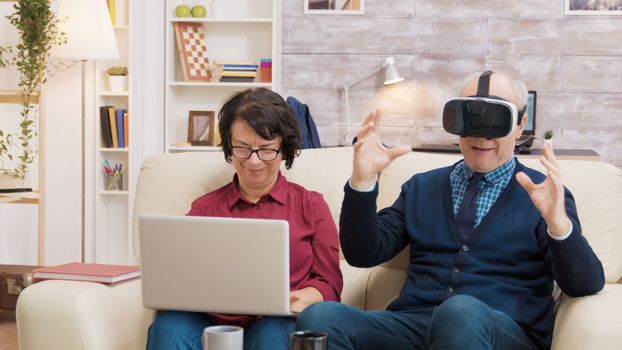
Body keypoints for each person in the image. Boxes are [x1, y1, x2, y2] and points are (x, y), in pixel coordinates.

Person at [296, 71, 604, 350]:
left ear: (520, 124)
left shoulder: (542, 194)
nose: (481, 135)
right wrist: (362, 183)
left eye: (495, 119)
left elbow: (585, 284)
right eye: (471, 116)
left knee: (460, 313)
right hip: (413, 327)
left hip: (500, 333)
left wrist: (559, 227)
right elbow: (363, 254)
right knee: (320, 318)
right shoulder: (422, 187)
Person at [147, 88, 343, 350]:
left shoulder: (312, 206)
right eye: (242, 148)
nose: (253, 161)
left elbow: (328, 284)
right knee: (168, 326)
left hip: (277, 320)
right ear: (230, 147)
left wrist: (291, 299)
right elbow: (177, 277)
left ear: (283, 147)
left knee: (273, 331)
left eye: (265, 149)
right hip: (208, 320)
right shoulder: (204, 209)